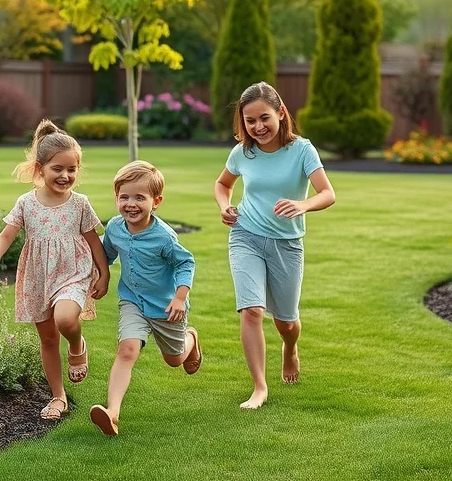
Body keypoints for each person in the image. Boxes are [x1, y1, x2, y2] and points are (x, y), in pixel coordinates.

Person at [214, 81, 335, 410]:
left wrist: (303, 205)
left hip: (287, 243)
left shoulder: (302, 150)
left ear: (281, 113)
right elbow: (223, 184)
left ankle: (290, 348)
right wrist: (224, 206)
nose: (257, 127)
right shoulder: (243, 152)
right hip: (246, 236)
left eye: (264, 118)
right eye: (250, 121)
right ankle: (259, 387)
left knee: (285, 321)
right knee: (251, 311)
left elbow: (327, 193)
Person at [0, 119, 110, 420]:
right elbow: (6, 235)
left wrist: (103, 273)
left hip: (73, 273)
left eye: (72, 169)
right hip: (38, 276)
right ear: (40, 169)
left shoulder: (80, 204)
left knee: (65, 319)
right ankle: (58, 397)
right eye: (58, 169)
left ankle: (77, 346)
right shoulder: (26, 203)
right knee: (48, 339)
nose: (65, 175)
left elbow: (93, 240)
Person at [89, 160, 202, 436]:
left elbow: (185, 264)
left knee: (174, 360)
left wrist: (180, 297)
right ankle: (112, 413)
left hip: (165, 306)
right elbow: (107, 255)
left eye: (140, 197)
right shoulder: (115, 228)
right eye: (124, 196)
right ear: (116, 197)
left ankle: (191, 340)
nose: (131, 204)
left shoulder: (163, 237)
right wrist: (102, 277)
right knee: (127, 350)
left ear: (156, 201)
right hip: (132, 301)